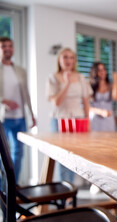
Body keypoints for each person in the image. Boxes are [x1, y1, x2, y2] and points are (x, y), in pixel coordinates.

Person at [46, 48, 92, 182]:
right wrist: (66, 83)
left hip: (78, 120)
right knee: (61, 156)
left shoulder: (81, 78)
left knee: (74, 156)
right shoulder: (53, 78)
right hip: (59, 119)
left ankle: (70, 190)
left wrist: (87, 120)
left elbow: (85, 101)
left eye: (71, 57)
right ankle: (64, 191)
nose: (68, 60)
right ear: (59, 60)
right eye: (65, 57)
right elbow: (56, 102)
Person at [0, 37, 36, 183]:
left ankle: (13, 186)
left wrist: (32, 115)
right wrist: (3, 101)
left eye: (10, 46)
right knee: (4, 154)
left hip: (20, 117)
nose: (7, 48)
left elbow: (26, 94)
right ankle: (3, 188)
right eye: (3, 46)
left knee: (18, 153)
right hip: (3, 118)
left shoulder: (21, 70)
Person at [89, 62, 117, 132]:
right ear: (95, 72)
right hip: (95, 118)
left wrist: (115, 80)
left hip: (108, 118)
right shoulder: (91, 86)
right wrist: (101, 112)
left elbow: (115, 97)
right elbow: (87, 106)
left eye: (104, 69)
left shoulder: (110, 86)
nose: (102, 72)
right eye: (99, 70)